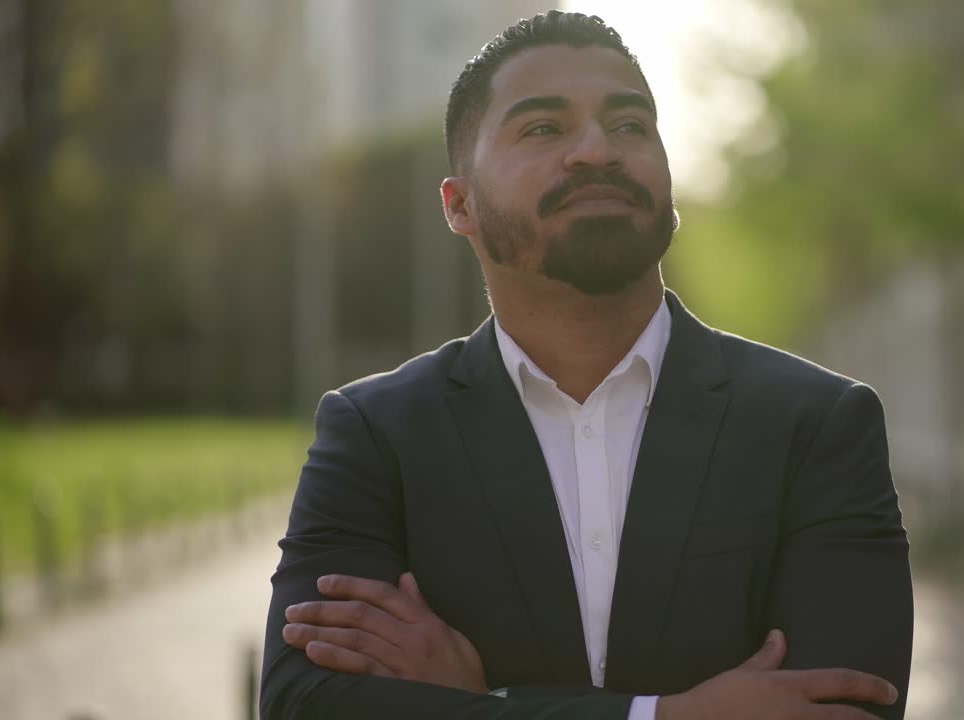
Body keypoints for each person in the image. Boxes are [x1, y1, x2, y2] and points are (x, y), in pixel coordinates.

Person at [260, 10, 912, 720]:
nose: (597, 150)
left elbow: (848, 710)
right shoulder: (376, 435)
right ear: (460, 205)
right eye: (544, 128)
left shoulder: (817, 427)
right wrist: (669, 716)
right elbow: (303, 705)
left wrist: (482, 702)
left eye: (630, 125)